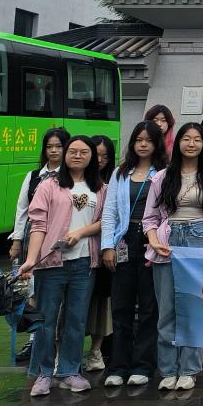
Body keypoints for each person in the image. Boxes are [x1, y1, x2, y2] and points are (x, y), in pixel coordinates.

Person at [17, 135, 105, 396]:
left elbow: (106, 220)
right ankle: (43, 373)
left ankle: (69, 370)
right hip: (51, 263)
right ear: (65, 155)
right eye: (72, 151)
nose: (77, 155)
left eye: (84, 152)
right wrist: (31, 259)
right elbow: (38, 224)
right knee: (46, 319)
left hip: (85, 263)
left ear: (92, 157)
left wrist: (80, 233)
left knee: (76, 319)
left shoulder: (101, 188)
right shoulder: (49, 185)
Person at [143, 122, 203, 391]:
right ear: (178, 142)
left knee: (193, 309)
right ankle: (168, 370)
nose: (192, 144)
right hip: (168, 242)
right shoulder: (162, 177)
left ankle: (189, 370)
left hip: (198, 241)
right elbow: (149, 219)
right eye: (186, 139)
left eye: (197, 140)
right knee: (167, 310)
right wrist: (154, 242)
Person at [100, 121, 167, 388]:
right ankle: (118, 365)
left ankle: (143, 365)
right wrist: (108, 245)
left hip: (152, 240)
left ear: (156, 144)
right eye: (138, 140)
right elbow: (109, 212)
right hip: (124, 239)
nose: (143, 144)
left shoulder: (163, 172)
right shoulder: (120, 173)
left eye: (148, 140)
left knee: (150, 306)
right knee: (121, 305)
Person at [7, 127, 70, 363]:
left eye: (58, 146)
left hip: (59, 241)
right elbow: (22, 210)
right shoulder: (34, 176)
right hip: (33, 238)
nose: (53, 151)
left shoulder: (71, 177)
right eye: (49, 147)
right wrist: (16, 242)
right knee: (32, 290)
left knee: (55, 292)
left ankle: (56, 342)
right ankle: (34, 340)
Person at [83, 135, 117, 374]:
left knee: (101, 302)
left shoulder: (114, 180)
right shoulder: (75, 179)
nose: (100, 159)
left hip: (103, 249)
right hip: (78, 251)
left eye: (106, 155)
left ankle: (96, 351)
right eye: (97, 154)